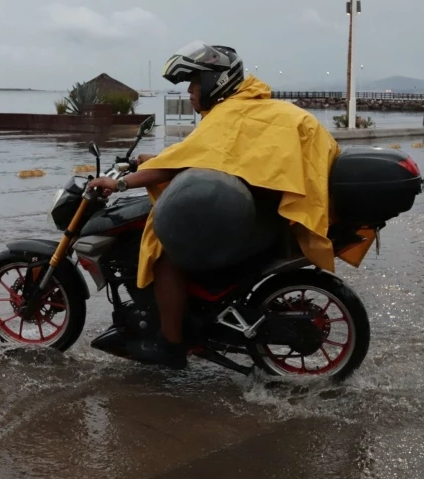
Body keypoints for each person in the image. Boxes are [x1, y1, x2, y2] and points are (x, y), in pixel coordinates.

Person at [87, 41, 354, 369]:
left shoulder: (231, 114)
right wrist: (157, 159)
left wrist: (120, 183)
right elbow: (213, 158)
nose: (190, 91)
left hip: (261, 220)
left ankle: (170, 344)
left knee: (163, 256)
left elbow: (190, 162)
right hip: (277, 213)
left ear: (216, 80)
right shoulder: (254, 109)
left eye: (194, 82)